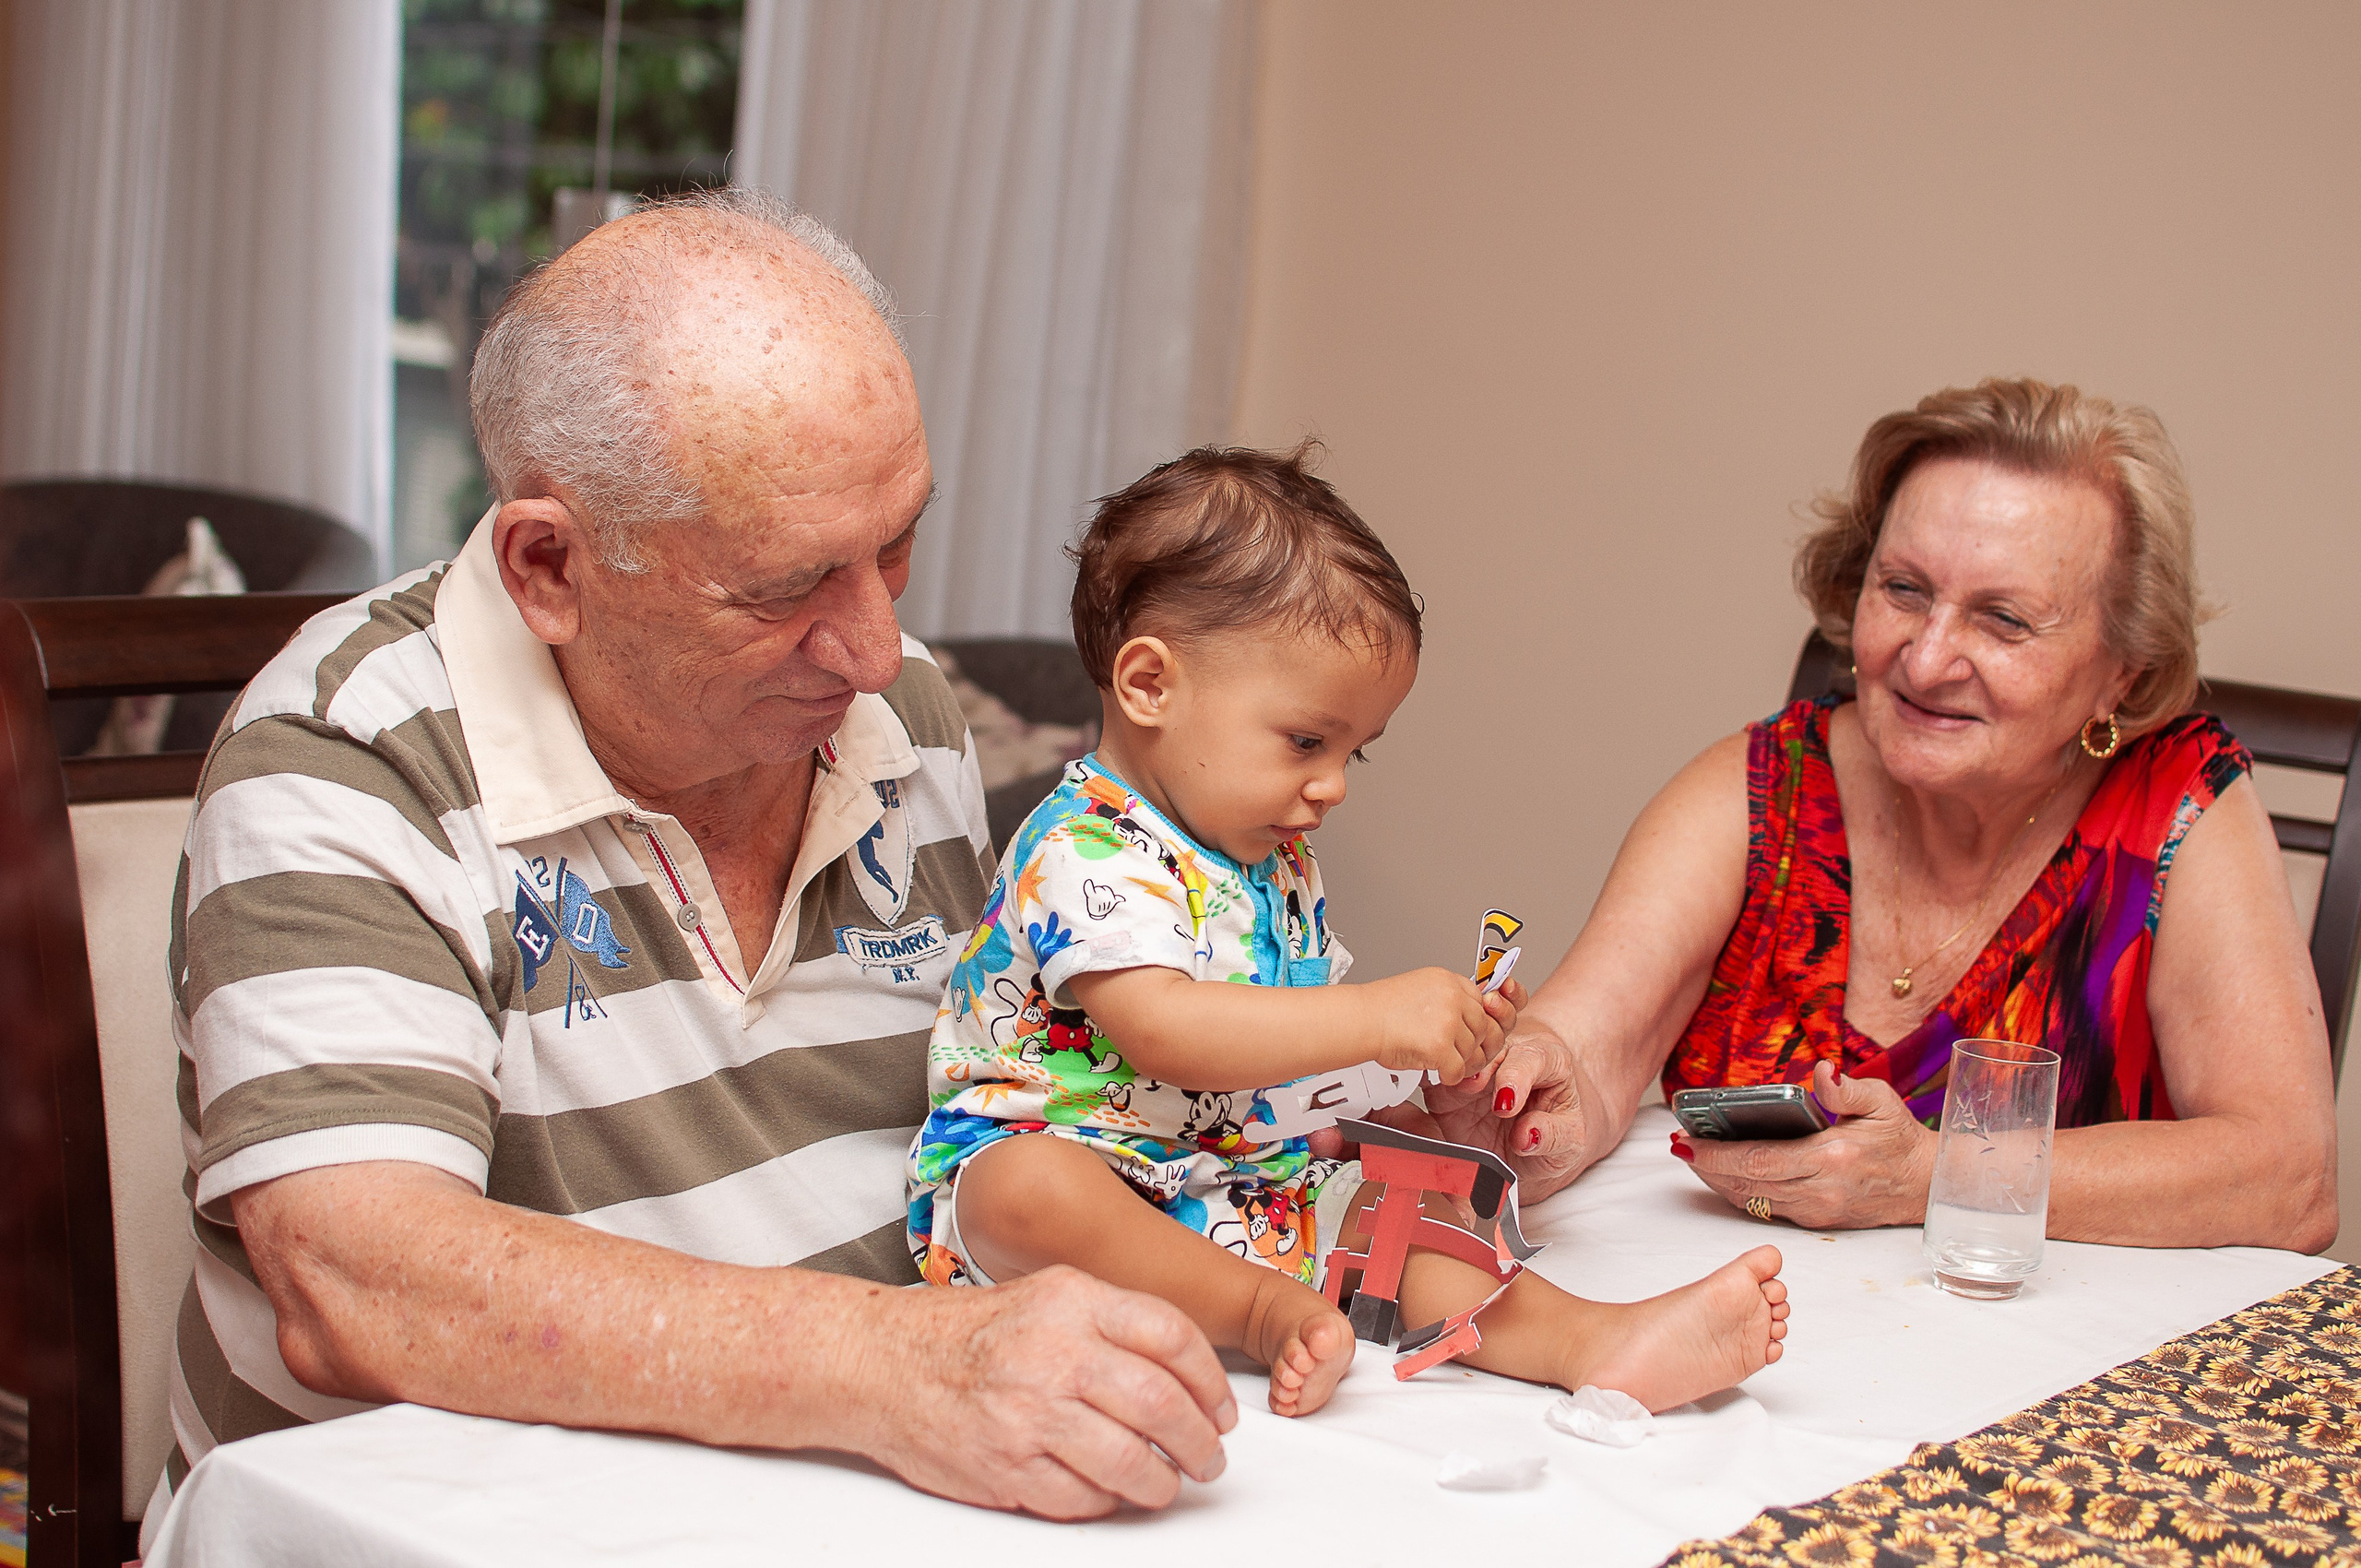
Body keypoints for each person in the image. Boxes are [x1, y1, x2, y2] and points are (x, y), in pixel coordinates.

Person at [157, 190, 1240, 1538]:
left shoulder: (904, 713)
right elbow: (360, 1282)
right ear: (549, 566)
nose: (873, 650)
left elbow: (1014, 1103)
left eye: (896, 542)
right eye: (787, 586)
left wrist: (1296, 1112)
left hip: (846, 1503)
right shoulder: (344, 757)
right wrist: (899, 1366)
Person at [908, 445, 1790, 1420]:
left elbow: (1293, 1058)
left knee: (1402, 1201)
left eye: (1352, 752)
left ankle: (1587, 1339)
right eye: (1305, 741)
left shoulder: (1275, 863)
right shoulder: (1083, 846)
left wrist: (1417, 1075)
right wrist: (1377, 1015)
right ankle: (1258, 1311)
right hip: (1066, 1166)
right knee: (1023, 1188)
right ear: (1151, 684)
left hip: (1242, 1178)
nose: (1331, 784)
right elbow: (1163, 1030)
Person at [1429, 378, 2337, 1249]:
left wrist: (1933, 1173)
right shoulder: (1766, 786)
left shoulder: (2177, 809)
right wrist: (1530, 1097)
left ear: (2121, 673)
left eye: (2003, 620)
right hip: (1767, 1324)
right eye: (1903, 589)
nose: (1926, 659)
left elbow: (2289, 1177)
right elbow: (1589, 1042)